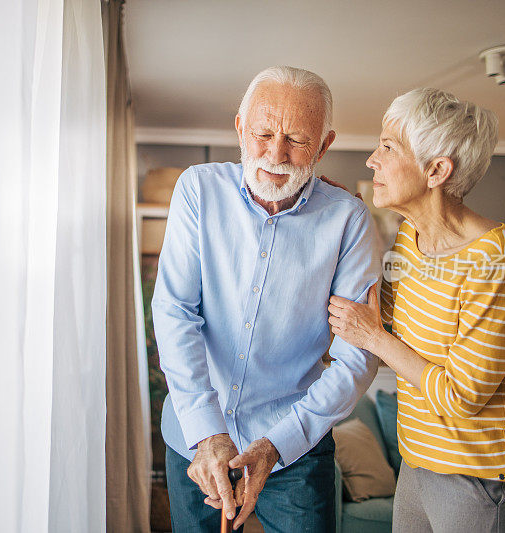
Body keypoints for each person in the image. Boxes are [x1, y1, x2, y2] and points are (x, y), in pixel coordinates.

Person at [151, 66, 380, 531]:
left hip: (294, 448)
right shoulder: (198, 190)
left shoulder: (349, 221)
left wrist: (280, 442)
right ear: (240, 127)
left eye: (297, 139)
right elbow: (175, 311)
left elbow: (358, 356)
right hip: (194, 437)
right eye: (263, 133)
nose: (276, 154)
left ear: (324, 144)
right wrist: (207, 433)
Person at [327, 88, 505, 532]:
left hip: (480, 477)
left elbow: (461, 397)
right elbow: (374, 313)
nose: (372, 160)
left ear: (437, 170)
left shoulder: (494, 259)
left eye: (388, 147)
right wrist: (331, 211)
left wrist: (375, 339)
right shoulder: (411, 238)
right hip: (418, 462)